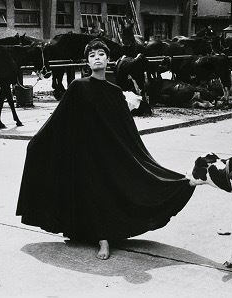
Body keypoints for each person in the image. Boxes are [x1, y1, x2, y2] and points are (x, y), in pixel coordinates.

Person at [16, 39, 195, 259]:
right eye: (92, 55)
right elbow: (59, 119)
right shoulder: (78, 87)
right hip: (84, 154)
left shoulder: (115, 92)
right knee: (90, 191)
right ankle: (102, 239)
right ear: (87, 62)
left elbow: (126, 130)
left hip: (108, 154)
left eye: (101, 54)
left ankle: (103, 236)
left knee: (109, 190)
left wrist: (137, 158)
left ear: (108, 59)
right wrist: (37, 143)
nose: (97, 58)